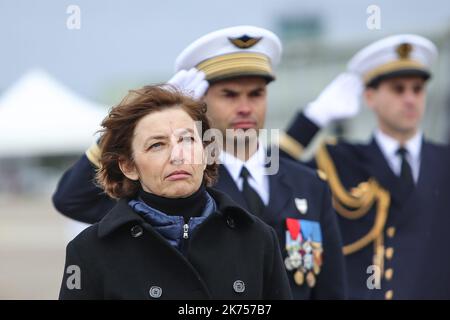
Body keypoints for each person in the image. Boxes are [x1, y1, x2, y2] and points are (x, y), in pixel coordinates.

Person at [53, 26, 347, 299]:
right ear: (202, 101)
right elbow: (72, 198)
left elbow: (330, 289)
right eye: (229, 95)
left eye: (256, 94)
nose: (245, 107)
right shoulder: (179, 180)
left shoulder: (308, 184)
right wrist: (143, 117)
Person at [59, 85, 292, 300]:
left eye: (188, 139)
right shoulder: (90, 251)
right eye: (157, 145)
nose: (178, 155)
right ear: (128, 166)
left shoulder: (257, 238)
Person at [280, 34, 450, 299]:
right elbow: (273, 179)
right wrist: (312, 119)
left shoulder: (444, 162)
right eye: (398, 89)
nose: (410, 99)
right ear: (370, 97)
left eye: (417, 89)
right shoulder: (341, 162)